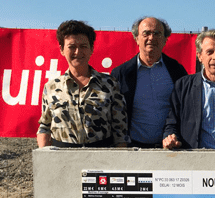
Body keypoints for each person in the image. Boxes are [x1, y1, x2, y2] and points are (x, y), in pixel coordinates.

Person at [37, 20, 130, 148]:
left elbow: (120, 130)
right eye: (72, 47)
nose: (77, 52)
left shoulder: (110, 84)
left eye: (83, 46)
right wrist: (44, 157)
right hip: (61, 158)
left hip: (100, 158)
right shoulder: (51, 87)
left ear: (91, 49)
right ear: (62, 49)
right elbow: (44, 127)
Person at [163, 29, 215, 149]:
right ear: (200, 56)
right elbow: (172, 122)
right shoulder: (183, 86)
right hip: (195, 160)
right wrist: (170, 137)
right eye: (209, 52)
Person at [111, 17, 188, 148]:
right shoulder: (121, 74)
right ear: (136, 38)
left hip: (170, 149)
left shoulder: (177, 71)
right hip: (133, 148)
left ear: (165, 40)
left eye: (157, 33)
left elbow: (185, 109)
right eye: (146, 33)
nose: (151, 38)